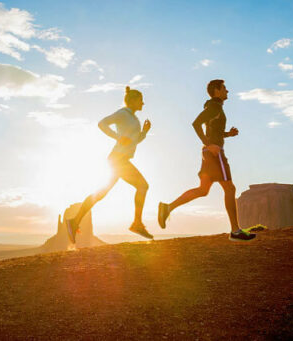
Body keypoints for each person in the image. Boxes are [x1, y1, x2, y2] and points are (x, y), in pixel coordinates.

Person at [157, 79, 256, 242]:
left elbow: (212, 130)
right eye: (224, 88)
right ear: (217, 91)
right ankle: (235, 231)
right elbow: (196, 124)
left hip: (209, 153)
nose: (227, 91)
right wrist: (209, 144)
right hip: (215, 153)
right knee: (229, 188)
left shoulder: (214, 107)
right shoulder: (214, 107)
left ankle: (167, 208)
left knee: (203, 190)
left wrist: (227, 135)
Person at [65, 86, 154, 243]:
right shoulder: (123, 113)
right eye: (141, 100)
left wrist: (145, 132)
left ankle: (74, 221)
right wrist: (117, 137)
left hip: (120, 159)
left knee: (101, 193)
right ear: (133, 100)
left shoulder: (134, 118)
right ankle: (137, 223)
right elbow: (102, 123)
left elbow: (134, 141)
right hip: (118, 159)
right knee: (142, 186)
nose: (143, 103)